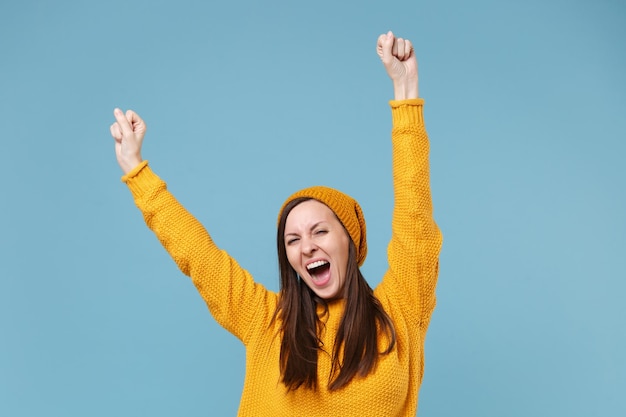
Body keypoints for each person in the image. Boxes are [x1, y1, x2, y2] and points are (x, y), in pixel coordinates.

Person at [110, 31, 442, 417]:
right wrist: (137, 171)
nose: (307, 247)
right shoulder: (266, 321)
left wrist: (406, 90)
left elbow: (414, 215)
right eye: (293, 240)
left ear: (349, 240)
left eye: (320, 231)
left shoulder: (401, 308)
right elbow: (197, 255)